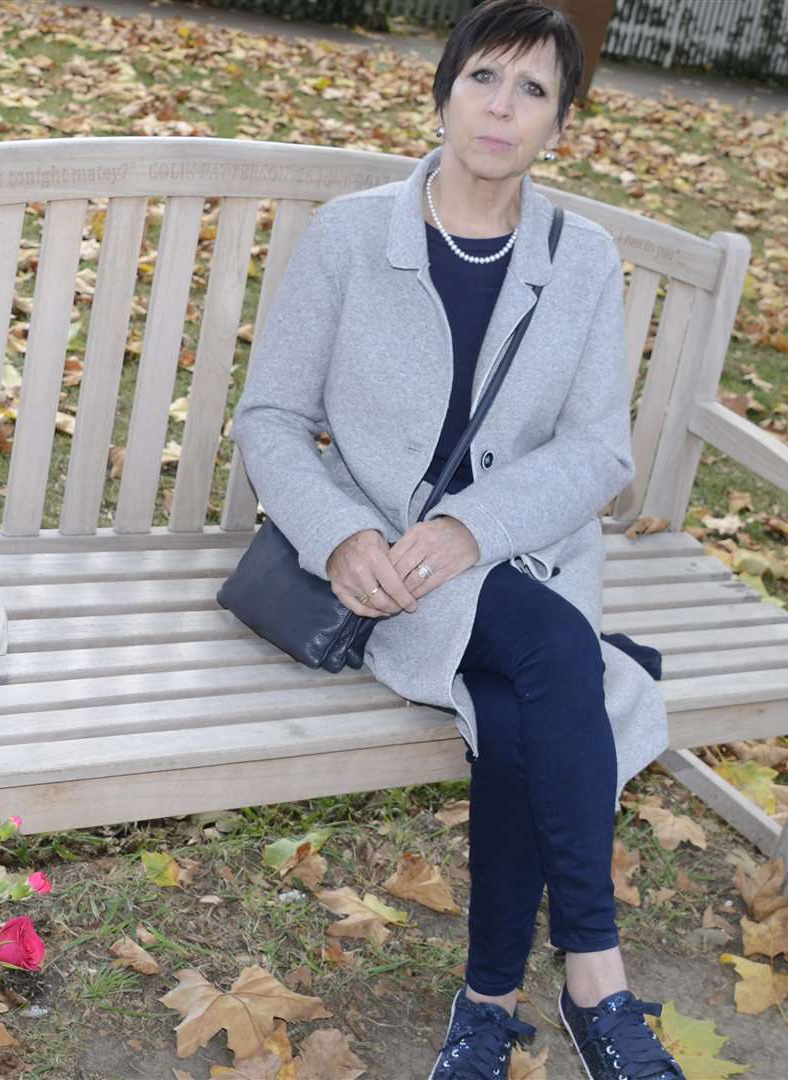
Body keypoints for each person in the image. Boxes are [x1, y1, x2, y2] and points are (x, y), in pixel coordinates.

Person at [231, 2, 680, 1077]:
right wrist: (340, 535)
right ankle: (590, 990)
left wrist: (474, 527)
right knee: (556, 660)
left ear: (559, 124)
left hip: (513, 556)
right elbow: (270, 421)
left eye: (533, 91)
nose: (502, 107)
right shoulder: (350, 236)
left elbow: (596, 452)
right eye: (484, 77)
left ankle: (493, 1002)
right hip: (381, 572)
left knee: (529, 687)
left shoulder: (580, 258)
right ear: (441, 92)